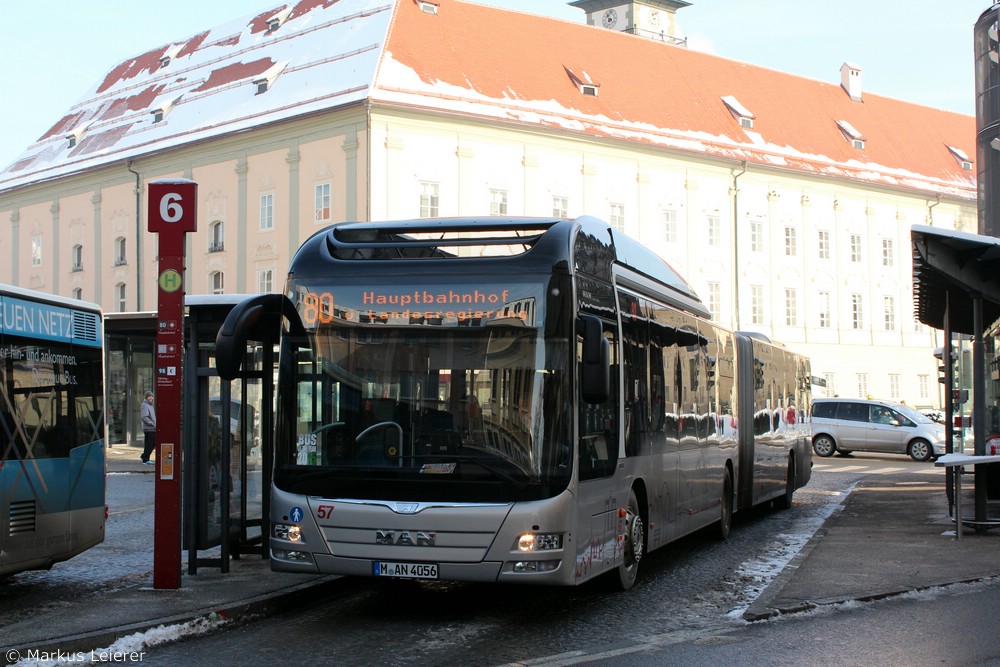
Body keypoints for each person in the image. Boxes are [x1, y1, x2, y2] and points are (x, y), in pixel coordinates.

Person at [140, 390, 156, 464]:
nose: (151, 397)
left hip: (152, 428)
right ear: (146, 397)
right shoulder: (145, 405)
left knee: (152, 444)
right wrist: (152, 424)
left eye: (152, 396)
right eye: (149, 396)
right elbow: (144, 417)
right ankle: (145, 459)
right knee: (149, 444)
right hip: (149, 428)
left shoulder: (150, 405)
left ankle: (144, 456)